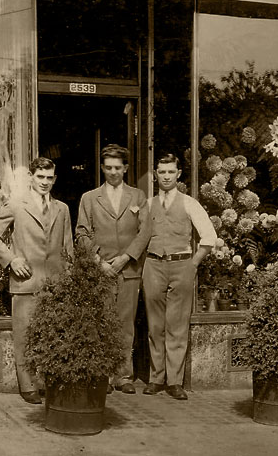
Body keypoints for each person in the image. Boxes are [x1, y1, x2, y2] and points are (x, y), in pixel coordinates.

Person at [0, 157, 73, 404]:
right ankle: (28, 385)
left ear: (54, 179)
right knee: (25, 335)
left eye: (49, 178)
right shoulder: (15, 205)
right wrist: (12, 260)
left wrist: (67, 282)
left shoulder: (62, 209)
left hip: (55, 284)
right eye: (40, 177)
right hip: (25, 282)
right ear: (31, 178)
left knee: (53, 334)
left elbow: (68, 248)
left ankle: (48, 381)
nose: (45, 182)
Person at [76, 144, 151, 395]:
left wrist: (126, 258)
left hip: (128, 270)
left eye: (118, 168)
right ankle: (103, 375)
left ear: (126, 168)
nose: (113, 172)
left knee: (125, 323)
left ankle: (123, 375)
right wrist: (99, 262)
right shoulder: (89, 198)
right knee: (100, 321)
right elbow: (82, 233)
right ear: (101, 167)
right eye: (108, 167)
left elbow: (145, 232)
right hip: (101, 270)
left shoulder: (138, 197)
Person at [142, 153, 217, 400]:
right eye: (161, 172)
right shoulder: (148, 204)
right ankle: (156, 378)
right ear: (155, 174)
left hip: (181, 264)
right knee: (155, 324)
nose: (165, 177)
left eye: (170, 172)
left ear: (178, 174)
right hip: (153, 264)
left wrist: (193, 264)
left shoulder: (189, 203)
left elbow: (208, 237)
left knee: (176, 323)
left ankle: (174, 381)